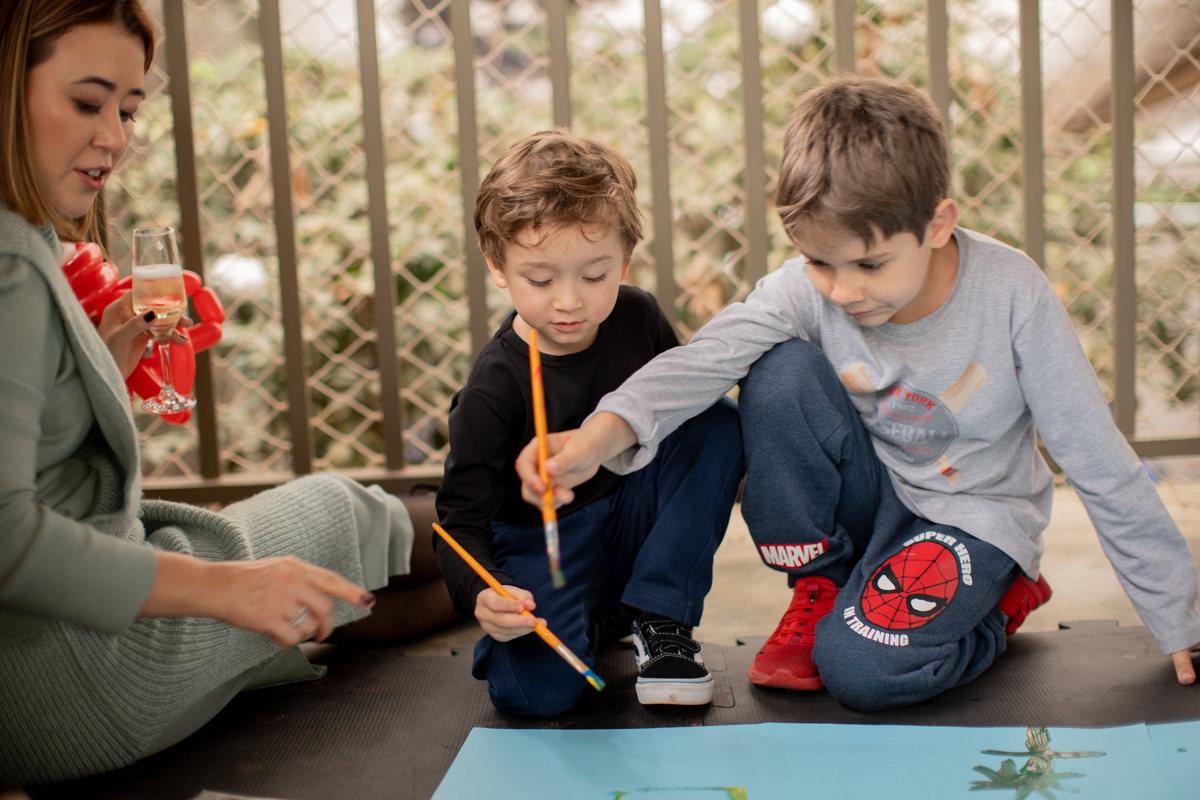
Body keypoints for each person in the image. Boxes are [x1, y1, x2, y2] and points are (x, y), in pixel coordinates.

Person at [516, 75, 1200, 711]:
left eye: (871, 264)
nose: (844, 291)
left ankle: (999, 603)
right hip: (872, 499)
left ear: (937, 224)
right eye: (820, 261)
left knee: (861, 673)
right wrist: (595, 439)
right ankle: (822, 582)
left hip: (971, 517)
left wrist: (1181, 619)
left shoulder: (1012, 294)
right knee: (778, 369)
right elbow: (703, 361)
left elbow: (1097, 457)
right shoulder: (804, 290)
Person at [0, 0, 456, 785]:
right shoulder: (11, 264)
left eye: (127, 110)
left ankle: (545, 559)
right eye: (86, 102)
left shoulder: (25, 234)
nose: (114, 138)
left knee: (336, 589)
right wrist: (225, 588)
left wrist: (104, 353)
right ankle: (570, 536)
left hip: (46, 671)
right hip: (75, 664)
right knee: (339, 511)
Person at [435, 130, 744, 716]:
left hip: (631, 519)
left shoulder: (639, 316)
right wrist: (483, 593)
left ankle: (660, 616)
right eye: (541, 280)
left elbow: (678, 414)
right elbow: (457, 524)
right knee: (536, 695)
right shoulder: (492, 389)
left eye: (595, 276)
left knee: (715, 421)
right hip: (541, 548)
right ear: (497, 265)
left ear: (624, 260)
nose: (569, 301)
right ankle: (600, 620)